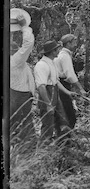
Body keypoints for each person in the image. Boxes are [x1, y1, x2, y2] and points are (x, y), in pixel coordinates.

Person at [34, 40, 71, 143]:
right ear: (52, 51)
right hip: (47, 95)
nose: (58, 51)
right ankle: (44, 148)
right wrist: (48, 104)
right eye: (56, 49)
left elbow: (56, 82)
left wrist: (68, 92)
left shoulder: (52, 63)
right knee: (48, 123)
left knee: (62, 119)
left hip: (55, 95)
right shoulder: (41, 65)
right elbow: (41, 87)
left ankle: (62, 144)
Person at [10, 12, 36, 149]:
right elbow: (28, 44)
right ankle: (27, 151)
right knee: (25, 125)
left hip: (19, 95)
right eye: (15, 49)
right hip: (19, 96)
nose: (17, 50)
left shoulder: (14, 61)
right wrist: (24, 27)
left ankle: (20, 149)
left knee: (17, 123)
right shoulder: (15, 61)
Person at [55, 34, 85, 130]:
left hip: (61, 85)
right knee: (69, 115)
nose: (76, 45)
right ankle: (65, 139)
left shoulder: (64, 54)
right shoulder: (64, 56)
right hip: (62, 85)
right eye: (74, 42)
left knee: (65, 112)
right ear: (68, 43)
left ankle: (65, 138)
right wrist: (80, 88)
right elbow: (70, 75)